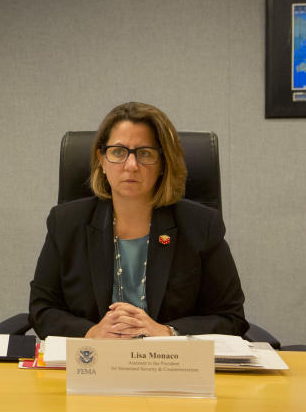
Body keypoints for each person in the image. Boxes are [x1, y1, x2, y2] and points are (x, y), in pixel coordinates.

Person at [28, 102, 248, 339]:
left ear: (163, 162)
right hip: (92, 364)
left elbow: (230, 316)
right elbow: (42, 309)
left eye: (145, 153)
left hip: (171, 367)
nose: (131, 166)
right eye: (118, 152)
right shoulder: (66, 223)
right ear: (101, 159)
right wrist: (91, 333)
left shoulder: (201, 225)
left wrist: (168, 332)